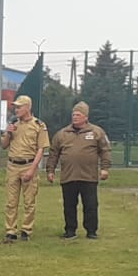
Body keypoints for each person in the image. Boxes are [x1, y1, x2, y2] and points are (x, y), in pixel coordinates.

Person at [47, 102, 112, 240]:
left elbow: (105, 150)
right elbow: (53, 154)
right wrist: (50, 170)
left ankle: (91, 231)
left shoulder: (96, 132)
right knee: (69, 205)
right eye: (73, 114)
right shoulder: (62, 134)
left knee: (91, 205)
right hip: (68, 176)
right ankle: (70, 230)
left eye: (78, 115)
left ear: (86, 117)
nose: (75, 117)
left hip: (88, 176)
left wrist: (105, 168)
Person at [0, 95, 48, 242]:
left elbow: (41, 149)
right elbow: (3, 145)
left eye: (19, 107)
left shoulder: (39, 125)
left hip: (29, 164)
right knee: (11, 201)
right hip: (13, 166)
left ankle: (26, 229)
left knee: (29, 201)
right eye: (15, 107)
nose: (16, 110)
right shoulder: (14, 124)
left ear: (28, 107)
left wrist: (32, 169)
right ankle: (11, 230)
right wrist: (8, 132)